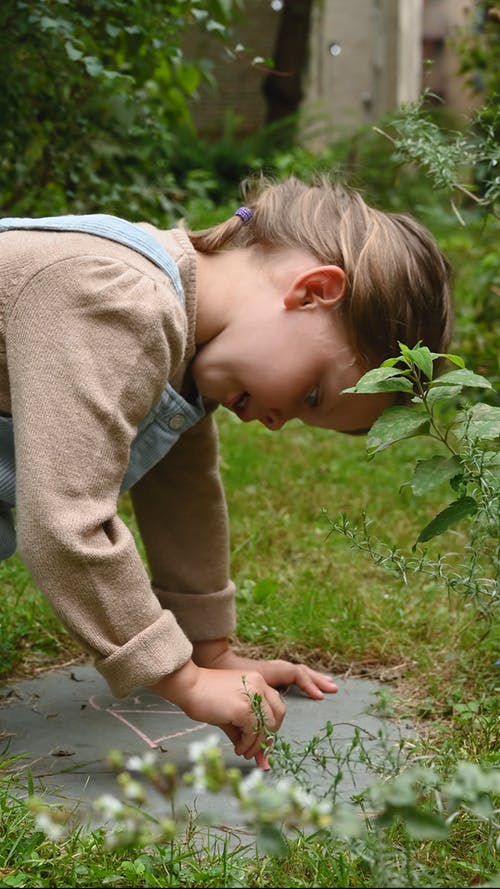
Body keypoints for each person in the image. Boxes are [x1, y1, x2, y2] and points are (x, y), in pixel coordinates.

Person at [0, 174, 453, 768]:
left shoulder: (179, 335)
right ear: (313, 290)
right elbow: (64, 522)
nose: (276, 422)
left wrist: (209, 651)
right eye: (311, 394)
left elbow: (182, 494)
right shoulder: (120, 298)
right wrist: (181, 678)